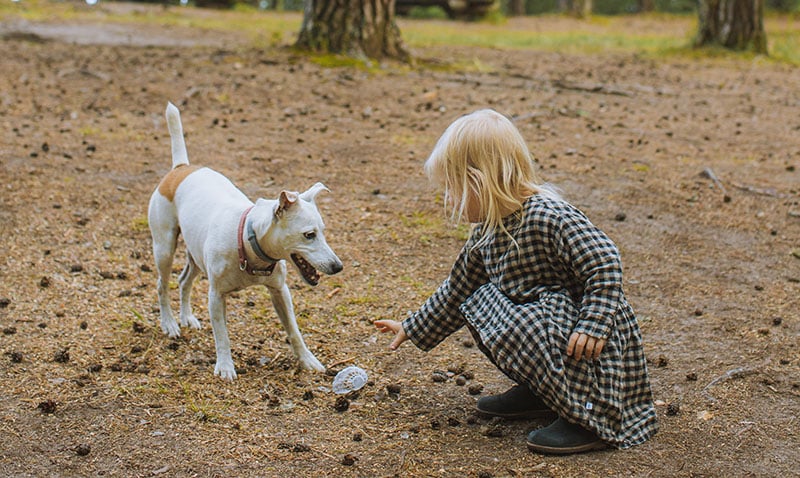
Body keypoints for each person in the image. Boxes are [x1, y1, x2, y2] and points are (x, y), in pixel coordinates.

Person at [374, 109, 658, 454]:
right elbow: (458, 287)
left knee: (516, 318)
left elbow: (604, 262)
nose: (448, 199)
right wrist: (413, 326)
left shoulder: (549, 215)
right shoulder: (489, 230)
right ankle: (543, 391)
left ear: (481, 179)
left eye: (453, 187)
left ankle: (589, 417)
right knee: (480, 299)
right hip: (552, 329)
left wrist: (594, 323)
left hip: (590, 343)